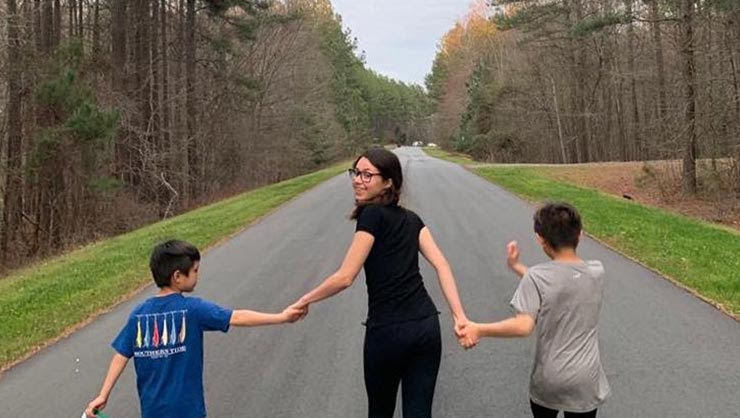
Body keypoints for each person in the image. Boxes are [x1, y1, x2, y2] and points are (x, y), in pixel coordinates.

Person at [293, 148, 473, 418]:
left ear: (388, 182)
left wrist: (305, 300)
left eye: (367, 174)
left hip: (387, 332)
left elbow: (345, 276)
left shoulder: (371, 216)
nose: (357, 179)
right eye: (355, 172)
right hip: (425, 327)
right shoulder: (413, 220)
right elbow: (442, 264)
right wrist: (459, 316)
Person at [84, 239, 306, 418]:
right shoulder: (192, 309)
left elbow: (121, 354)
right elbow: (237, 317)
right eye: (195, 270)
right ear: (178, 277)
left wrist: (103, 395)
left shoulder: (138, 314)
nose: (198, 275)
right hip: (188, 411)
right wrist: (281, 317)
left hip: (152, 411)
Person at [458, 202, 610, 417]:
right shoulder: (597, 272)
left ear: (540, 239)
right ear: (580, 235)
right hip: (586, 379)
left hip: (550, 378)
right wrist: (519, 269)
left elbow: (524, 325)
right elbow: (560, 282)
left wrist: (479, 329)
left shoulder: (537, 277)